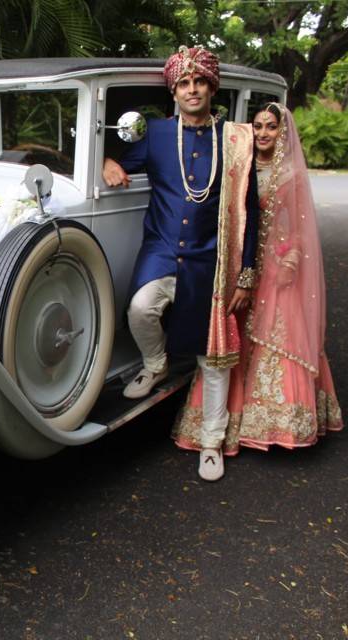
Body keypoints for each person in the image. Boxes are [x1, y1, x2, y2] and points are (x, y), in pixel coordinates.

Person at [103, 45, 260, 481]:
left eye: (200, 82)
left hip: (212, 258)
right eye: (184, 83)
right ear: (174, 90)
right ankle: (155, 365)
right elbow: (119, 160)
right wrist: (107, 161)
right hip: (161, 249)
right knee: (139, 308)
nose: (192, 90)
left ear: (212, 87)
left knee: (213, 356)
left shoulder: (234, 138)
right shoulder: (154, 134)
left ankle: (211, 441)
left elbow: (251, 210)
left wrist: (245, 273)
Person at [173, 103, 343, 456]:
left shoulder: (290, 174)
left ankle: (274, 423)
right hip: (241, 264)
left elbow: (298, 227)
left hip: (277, 271)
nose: (263, 133)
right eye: (258, 126)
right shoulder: (242, 165)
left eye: (270, 127)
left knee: (273, 341)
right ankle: (224, 425)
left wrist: (292, 252)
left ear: (282, 132)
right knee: (231, 338)